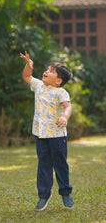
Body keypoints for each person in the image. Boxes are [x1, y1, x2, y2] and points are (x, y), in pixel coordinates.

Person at [20, 51, 74, 211]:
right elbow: (26, 77)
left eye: (51, 71)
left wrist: (65, 116)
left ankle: (65, 193)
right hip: (41, 134)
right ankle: (44, 195)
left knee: (60, 165)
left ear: (58, 81)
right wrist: (28, 66)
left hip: (57, 135)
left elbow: (68, 106)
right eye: (47, 69)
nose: (46, 72)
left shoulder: (61, 92)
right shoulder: (39, 86)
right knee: (43, 164)